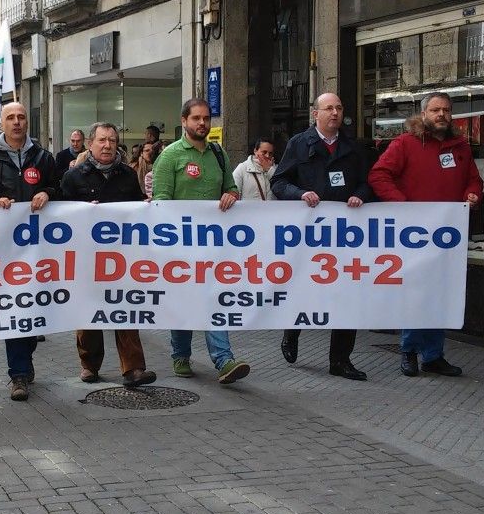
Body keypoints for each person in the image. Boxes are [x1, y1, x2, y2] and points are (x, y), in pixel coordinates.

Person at [368, 91, 482, 378]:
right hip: (415, 234)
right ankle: (408, 351)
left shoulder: (461, 147)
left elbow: (474, 179)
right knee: (416, 293)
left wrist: (473, 194)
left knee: (440, 294)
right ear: (423, 114)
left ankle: (433, 355)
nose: (441, 115)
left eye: (446, 110)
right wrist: (403, 206)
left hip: (447, 235)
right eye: (435, 110)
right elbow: (379, 175)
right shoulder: (405, 143)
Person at [271, 93, 376, 381]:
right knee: (305, 290)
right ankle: (291, 332)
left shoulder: (353, 147)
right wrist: (300, 194)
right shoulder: (299, 144)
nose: (335, 113)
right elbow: (279, 182)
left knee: (347, 294)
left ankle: (341, 360)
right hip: (309, 235)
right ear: (315, 114)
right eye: (328, 108)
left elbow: (369, 182)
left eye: (339, 108)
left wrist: (359, 195)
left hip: (345, 236)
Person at [151, 99, 250, 384]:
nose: (202, 124)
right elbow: (161, 201)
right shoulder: (170, 156)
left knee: (211, 299)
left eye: (206, 118)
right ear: (183, 121)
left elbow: (230, 188)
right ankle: (180, 354)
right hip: (180, 245)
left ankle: (224, 360)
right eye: (196, 118)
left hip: (214, 246)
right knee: (184, 301)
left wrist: (231, 195)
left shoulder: (218, 154)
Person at [59, 122, 157, 388]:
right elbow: (60, 217)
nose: (107, 145)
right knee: (89, 310)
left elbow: (136, 208)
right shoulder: (74, 176)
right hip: (86, 257)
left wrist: (145, 207)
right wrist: (80, 211)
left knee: (125, 307)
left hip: (121, 258)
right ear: (90, 143)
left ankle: (133, 368)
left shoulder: (127, 174)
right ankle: (89, 365)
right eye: (102, 140)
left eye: (112, 141)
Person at [0, 102, 62, 401]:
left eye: (21, 117)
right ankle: (19, 375)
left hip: (40, 248)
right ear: (2, 123)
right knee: (15, 306)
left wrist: (47, 192)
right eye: (10, 117)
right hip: (7, 250)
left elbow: (58, 188)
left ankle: (25, 357)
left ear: (27, 122)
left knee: (35, 307)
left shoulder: (44, 157)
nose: (16, 122)